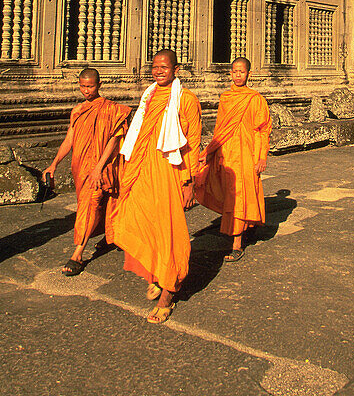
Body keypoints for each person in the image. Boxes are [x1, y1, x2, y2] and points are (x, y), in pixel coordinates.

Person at [112, 49, 202, 324]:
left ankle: (168, 293)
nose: (159, 70)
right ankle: (156, 272)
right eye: (155, 66)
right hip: (143, 170)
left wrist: (190, 182)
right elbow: (138, 136)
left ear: (176, 69)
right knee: (140, 221)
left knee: (168, 231)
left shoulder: (186, 100)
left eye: (164, 66)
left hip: (170, 174)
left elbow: (193, 142)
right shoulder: (148, 97)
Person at [43, 68, 131, 276]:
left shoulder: (112, 110)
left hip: (102, 165)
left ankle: (77, 253)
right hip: (80, 166)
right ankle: (110, 236)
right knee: (92, 203)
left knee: (91, 203)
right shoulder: (78, 111)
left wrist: (99, 167)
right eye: (82, 86)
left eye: (90, 86)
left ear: (99, 85)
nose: (86, 90)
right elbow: (69, 140)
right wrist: (54, 163)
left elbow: (114, 140)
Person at [197, 57, 271, 262]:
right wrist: (209, 152)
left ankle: (237, 244)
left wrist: (261, 157)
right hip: (227, 154)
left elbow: (262, 130)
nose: (238, 75)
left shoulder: (255, 99)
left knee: (240, 194)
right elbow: (220, 129)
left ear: (249, 74)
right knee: (232, 194)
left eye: (242, 72)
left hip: (247, 154)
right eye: (234, 71)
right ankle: (245, 227)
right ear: (230, 73)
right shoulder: (226, 98)